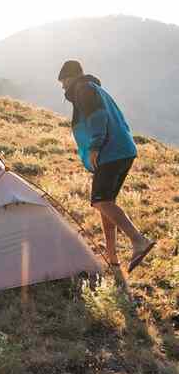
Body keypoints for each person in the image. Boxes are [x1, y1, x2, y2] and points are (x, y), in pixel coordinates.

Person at [58, 60, 155, 274]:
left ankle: (139, 241)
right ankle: (112, 260)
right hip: (122, 151)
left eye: (64, 81)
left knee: (100, 201)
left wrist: (94, 147)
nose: (63, 87)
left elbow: (98, 117)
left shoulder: (83, 89)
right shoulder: (94, 89)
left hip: (111, 152)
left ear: (71, 77)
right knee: (106, 204)